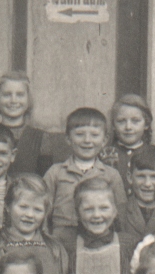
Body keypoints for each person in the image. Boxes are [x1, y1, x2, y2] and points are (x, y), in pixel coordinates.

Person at [43, 107, 128, 251]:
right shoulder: (55, 172)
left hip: (98, 239)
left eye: (94, 135)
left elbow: (121, 214)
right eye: (80, 134)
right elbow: (43, 209)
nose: (87, 141)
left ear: (104, 140)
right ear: (68, 138)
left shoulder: (111, 175)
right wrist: (46, 240)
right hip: (61, 239)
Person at [0, 174, 71, 274]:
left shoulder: (55, 248)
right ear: (7, 206)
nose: (30, 215)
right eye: (23, 207)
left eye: (37, 210)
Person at [0, 71, 65, 177]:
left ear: (28, 99)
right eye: (7, 95)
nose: (13, 100)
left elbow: (45, 181)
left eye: (20, 95)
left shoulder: (41, 138)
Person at [67, 176, 133, 274]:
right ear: (77, 213)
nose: (96, 215)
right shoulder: (70, 247)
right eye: (88, 209)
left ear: (115, 211)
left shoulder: (127, 244)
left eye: (104, 208)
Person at [120, 144, 155, 245]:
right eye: (141, 176)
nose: (147, 184)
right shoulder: (119, 213)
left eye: (154, 177)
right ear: (129, 177)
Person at [104, 94, 153, 189]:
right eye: (121, 121)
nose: (128, 127)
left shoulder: (153, 154)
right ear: (113, 125)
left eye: (135, 121)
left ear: (146, 124)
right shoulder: (104, 154)